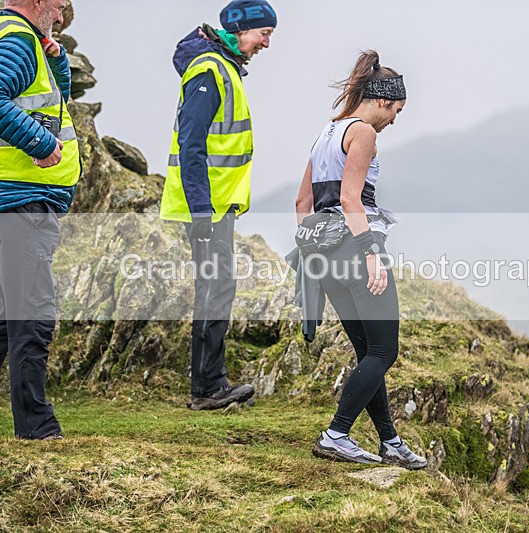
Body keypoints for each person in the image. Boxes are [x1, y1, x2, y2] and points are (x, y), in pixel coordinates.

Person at [0, 0, 79, 441]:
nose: (60, 18)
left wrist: (57, 64)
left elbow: (54, 103)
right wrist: (39, 143)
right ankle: (36, 427)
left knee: (6, 312)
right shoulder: (18, 38)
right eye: (59, 6)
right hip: (18, 201)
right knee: (34, 314)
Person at [295, 51, 428, 469]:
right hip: (356, 249)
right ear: (383, 101)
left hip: (325, 255)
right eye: (397, 111)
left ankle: (390, 441)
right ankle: (336, 434)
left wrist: (313, 251)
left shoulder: (326, 133)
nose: (394, 120)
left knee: (369, 352)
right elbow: (351, 198)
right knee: (384, 351)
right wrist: (371, 253)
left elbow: (303, 202)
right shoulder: (364, 134)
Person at [160, 0, 276, 411]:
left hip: (215, 205)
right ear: (240, 28)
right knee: (214, 289)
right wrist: (201, 211)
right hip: (206, 206)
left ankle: (209, 385)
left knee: (217, 288)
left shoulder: (222, 67)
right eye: (264, 33)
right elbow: (191, 144)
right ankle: (208, 388)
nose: (266, 43)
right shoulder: (209, 70)